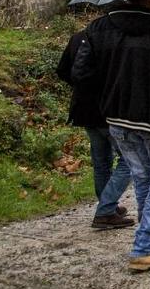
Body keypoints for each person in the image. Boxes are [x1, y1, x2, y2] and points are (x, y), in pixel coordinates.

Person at [73, 0, 150, 272]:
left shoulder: (99, 28)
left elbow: (82, 72)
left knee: (143, 179)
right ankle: (145, 246)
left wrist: (115, 80)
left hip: (117, 116)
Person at [57, 29, 135, 230]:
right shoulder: (112, 37)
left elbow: (63, 71)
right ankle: (106, 209)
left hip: (83, 109)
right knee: (129, 160)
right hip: (108, 110)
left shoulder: (77, 38)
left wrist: (82, 89)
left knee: (101, 161)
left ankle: (107, 206)